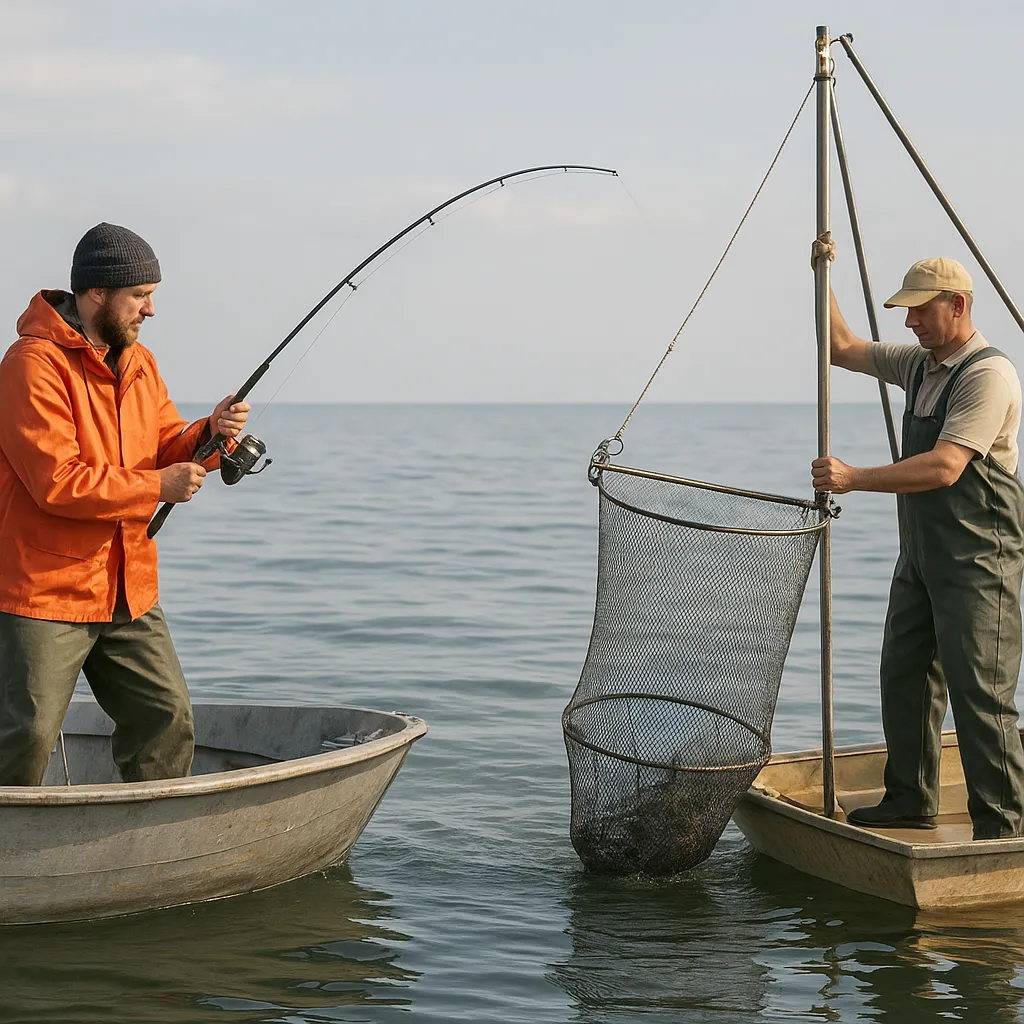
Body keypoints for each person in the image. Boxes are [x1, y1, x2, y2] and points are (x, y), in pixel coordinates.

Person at [0, 222, 250, 785]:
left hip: (128, 585)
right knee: (28, 734)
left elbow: (165, 446)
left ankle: (150, 848)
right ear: (97, 294)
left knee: (166, 717)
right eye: (140, 295)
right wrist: (156, 488)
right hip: (44, 592)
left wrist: (210, 431)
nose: (151, 310)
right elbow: (57, 482)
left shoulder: (140, 363)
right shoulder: (30, 366)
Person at [810, 247, 1024, 840]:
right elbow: (842, 347)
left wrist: (853, 478)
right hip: (923, 558)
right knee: (903, 676)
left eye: (919, 311)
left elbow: (945, 468)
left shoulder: (987, 374)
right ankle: (910, 797)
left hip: (982, 562)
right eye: (906, 312)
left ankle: (1003, 827)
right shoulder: (921, 365)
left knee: (981, 693)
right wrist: (820, 275)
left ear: (958, 305)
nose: (909, 323)